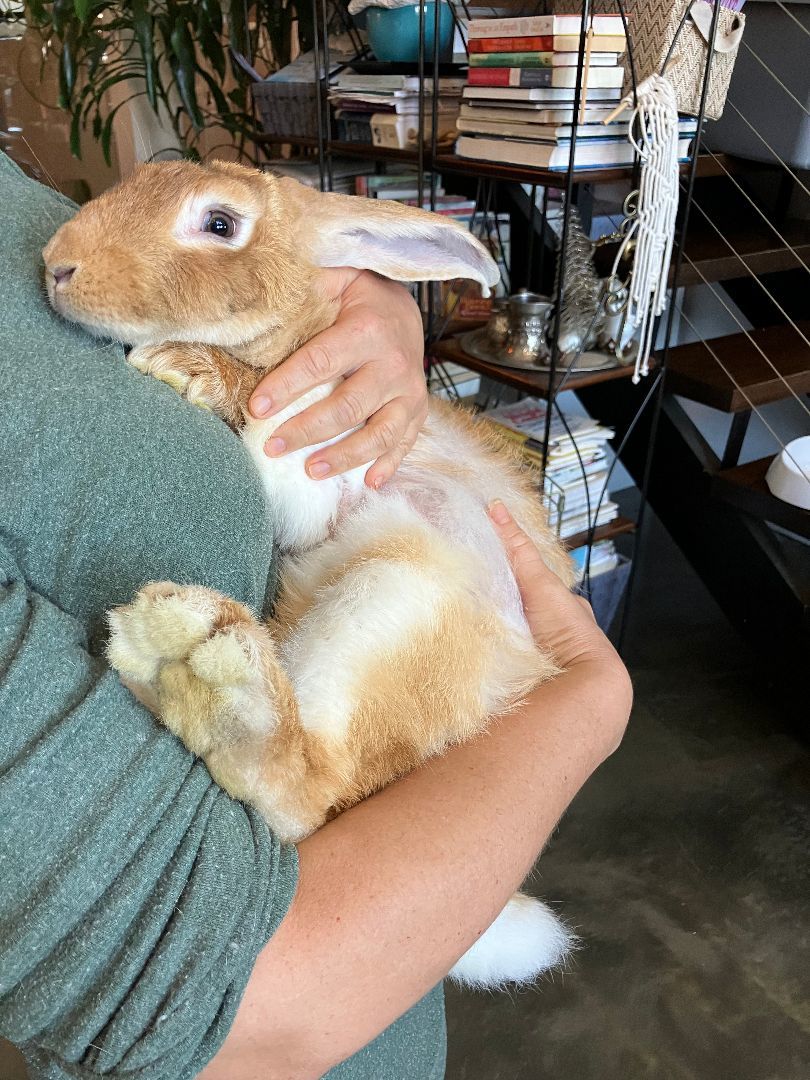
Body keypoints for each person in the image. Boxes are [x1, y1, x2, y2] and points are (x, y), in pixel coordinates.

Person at [0, 151, 631, 1080]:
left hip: (404, 953)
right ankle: (294, 769)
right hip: (317, 983)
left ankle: (315, 768)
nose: (61, 249)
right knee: (395, 588)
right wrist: (588, 710)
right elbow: (236, 1008)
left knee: (405, 584)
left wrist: (371, 303)